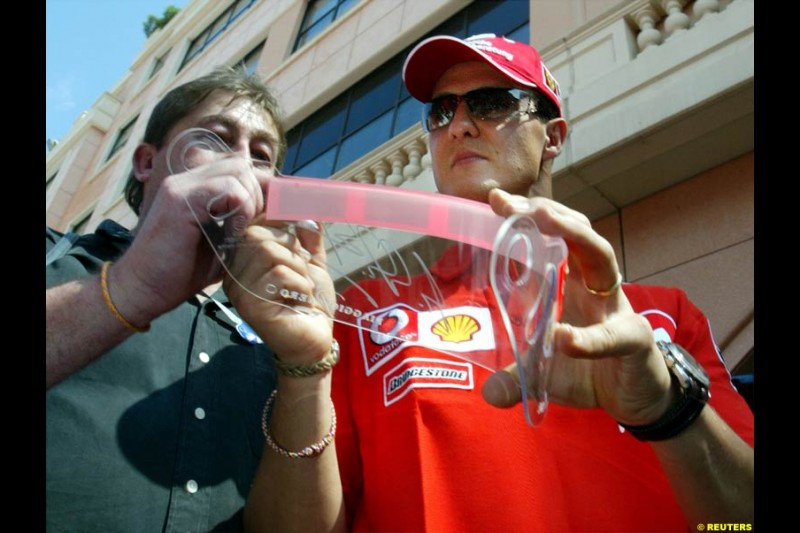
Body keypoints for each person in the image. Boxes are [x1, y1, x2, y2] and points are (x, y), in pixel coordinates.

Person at [231, 35, 754, 531]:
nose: (458, 124)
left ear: (553, 138)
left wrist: (668, 413)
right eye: (442, 111)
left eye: (490, 102)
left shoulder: (660, 317)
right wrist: (303, 368)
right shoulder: (365, 310)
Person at [46, 67, 293, 531]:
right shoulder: (53, 255)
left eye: (261, 156)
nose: (240, 166)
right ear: (145, 162)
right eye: (216, 139)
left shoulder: (275, 340)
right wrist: (130, 287)